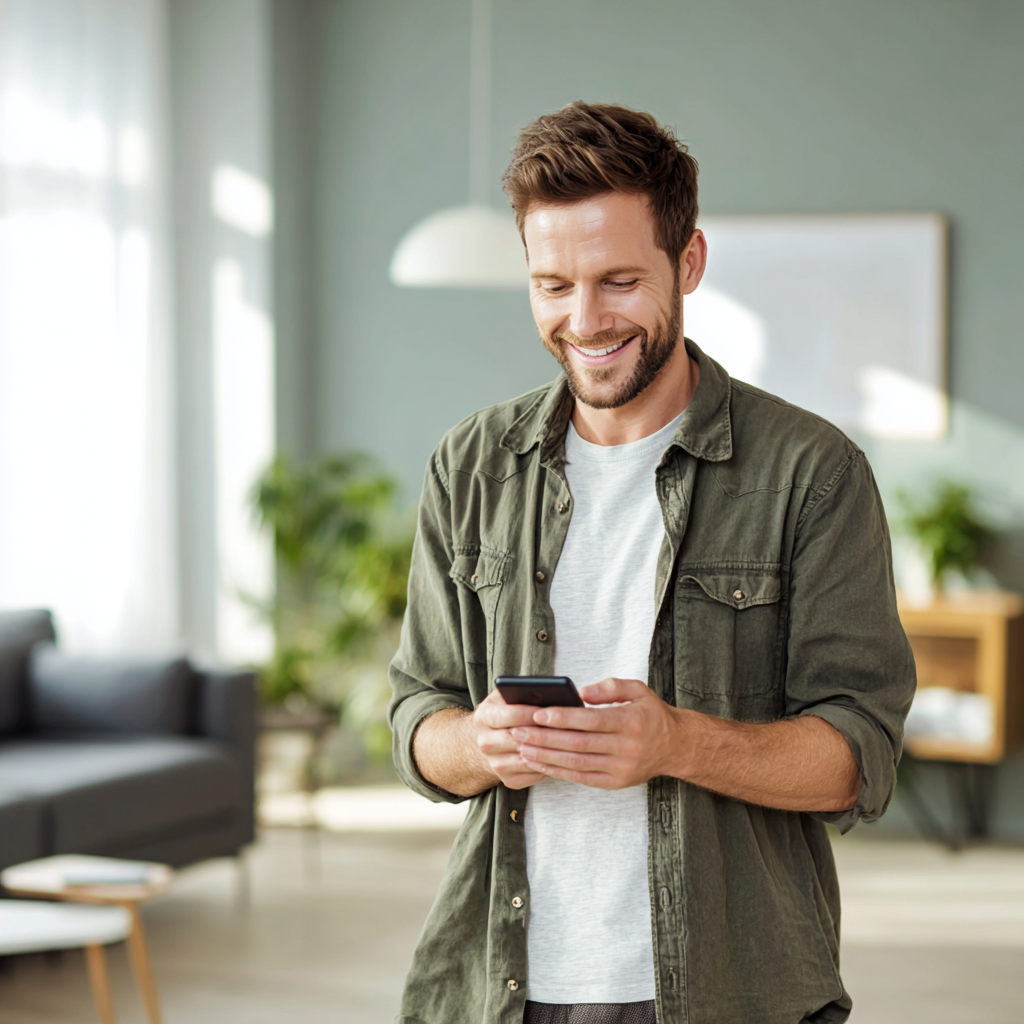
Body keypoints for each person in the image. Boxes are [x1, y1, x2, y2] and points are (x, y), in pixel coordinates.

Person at [388, 101, 915, 1024]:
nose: (584, 319)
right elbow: (415, 717)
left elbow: (856, 756)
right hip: (497, 987)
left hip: (729, 988)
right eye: (552, 284)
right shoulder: (469, 465)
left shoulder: (810, 473)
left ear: (690, 263)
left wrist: (675, 743)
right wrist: (481, 742)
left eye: (619, 280)